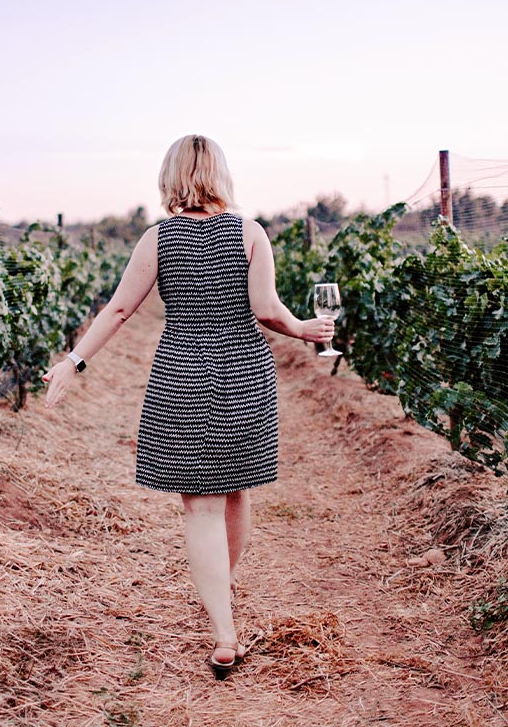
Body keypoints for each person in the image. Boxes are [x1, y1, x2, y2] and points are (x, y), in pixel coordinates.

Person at [42, 135, 335, 679]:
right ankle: (222, 594)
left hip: (181, 373)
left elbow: (121, 309)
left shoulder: (157, 239)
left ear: (170, 176)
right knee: (235, 489)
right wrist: (303, 330)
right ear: (221, 175)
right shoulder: (250, 233)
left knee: (200, 506)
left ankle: (224, 632)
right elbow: (267, 310)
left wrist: (73, 361)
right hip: (245, 372)